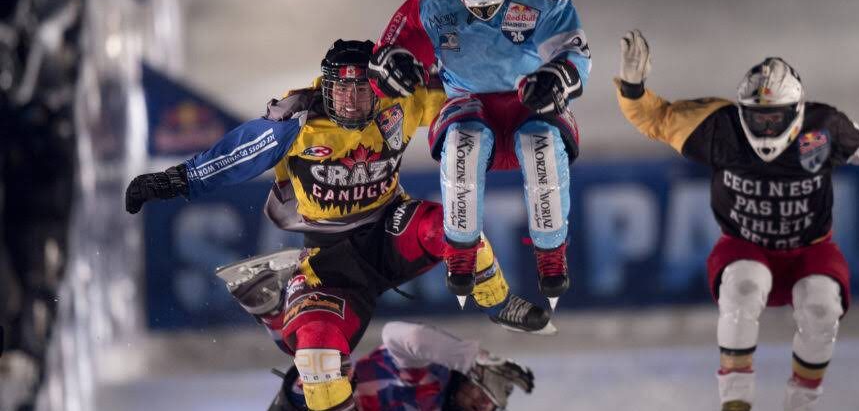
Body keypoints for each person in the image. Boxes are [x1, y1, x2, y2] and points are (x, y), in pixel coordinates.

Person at [126, 40, 551, 411]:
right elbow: (238, 154)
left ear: (378, 87)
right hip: (328, 261)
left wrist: (534, 89)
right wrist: (175, 180)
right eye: (340, 90)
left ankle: (499, 303)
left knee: (450, 223)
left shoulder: (402, 98)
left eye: (361, 90)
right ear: (324, 88)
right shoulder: (297, 120)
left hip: (389, 229)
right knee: (316, 358)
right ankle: (284, 321)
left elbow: (472, 89)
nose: (349, 101)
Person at [615, 30, 859, 411]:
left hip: (810, 250)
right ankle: (735, 402)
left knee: (822, 309)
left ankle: (801, 404)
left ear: (798, 111)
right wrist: (632, 86)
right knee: (741, 291)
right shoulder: (717, 128)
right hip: (744, 246)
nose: (768, 127)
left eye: (775, 117)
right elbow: (654, 118)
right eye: (758, 118)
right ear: (741, 112)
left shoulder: (823, 129)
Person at [368, 0, 591, 309]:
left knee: (541, 146)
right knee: (463, 147)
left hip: (530, 98)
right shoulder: (429, 2)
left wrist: (557, 78)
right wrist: (393, 67)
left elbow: (574, 51)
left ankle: (552, 255)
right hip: (466, 101)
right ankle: (460, 254)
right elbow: (387, 51)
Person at [268, 321, 534, 411]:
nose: (482, 406)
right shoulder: (430, 373)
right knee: (316, 336)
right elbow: (398, 334)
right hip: (320, 391)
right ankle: (269, 310)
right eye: (483, 394)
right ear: (470, 377)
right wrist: (471, 356)